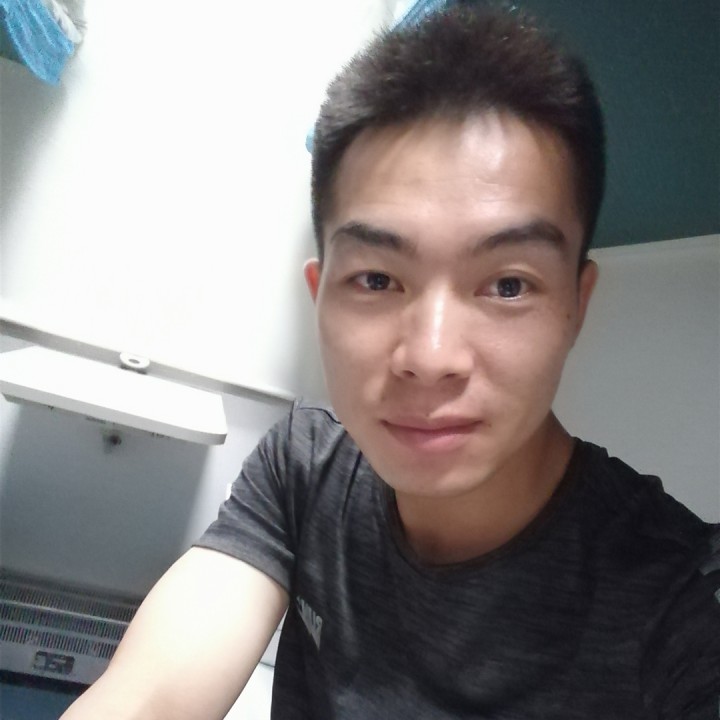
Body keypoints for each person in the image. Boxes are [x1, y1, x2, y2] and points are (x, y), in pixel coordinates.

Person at [62, 4, 719, 719]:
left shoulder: (678, 600)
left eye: (507, 285)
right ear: (320, 298)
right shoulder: (305, 472)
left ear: (576, 306)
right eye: (376, 279)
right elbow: (150, 697)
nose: (430, 358)